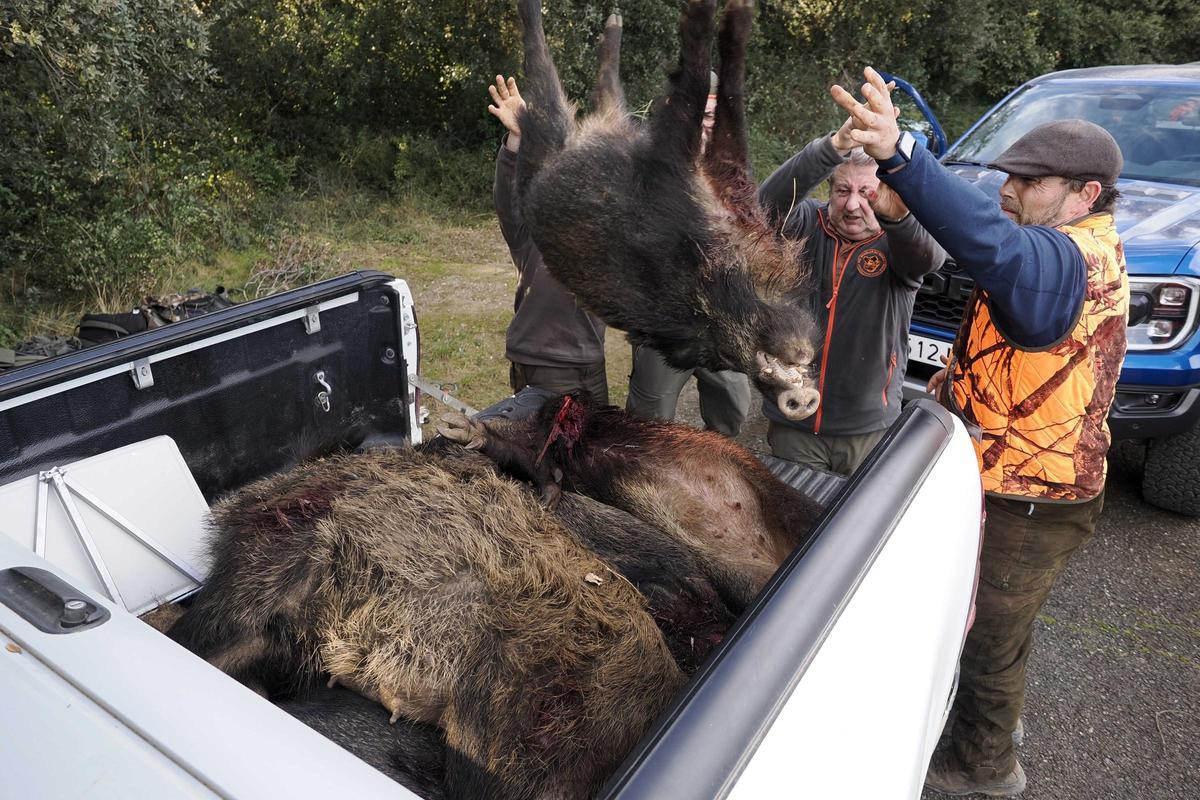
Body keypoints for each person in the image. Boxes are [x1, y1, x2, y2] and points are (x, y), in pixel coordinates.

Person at [832, 67, 1129, 796]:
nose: (1008, 189)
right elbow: (1030, 335)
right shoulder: (1068, 245)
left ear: (1085, 194)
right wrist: (961, 382)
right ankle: (989, 727)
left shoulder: (1072, 258)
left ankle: (985, 768)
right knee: (995, 624)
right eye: (1008, 174)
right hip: (1012, 470)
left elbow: (994, 249)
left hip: (1034, 496)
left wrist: (904, 153)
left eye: (1030, 182)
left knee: (991, 639)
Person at [755, 112, 947, 475]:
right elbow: (762, 207)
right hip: (794, 416)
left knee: (859, 527)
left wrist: (899, 219)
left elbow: (929, 257)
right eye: (843, 190)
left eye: (867, 193)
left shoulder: (898, 240)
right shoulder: (807, 224)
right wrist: (830, 149)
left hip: (867, 429)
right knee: (796, 524)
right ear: (830, 190)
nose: (854, 204)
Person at [625, 73, 751, 436]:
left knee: (734, 407)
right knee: (649, 418)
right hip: (664, 319)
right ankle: (642, 481)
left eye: (709, 115)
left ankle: (718, 475)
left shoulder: (732, 171)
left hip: (723, 319)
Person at [488, 75, 609, 403]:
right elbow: (507, 198)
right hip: (543, 364)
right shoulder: (531, 229)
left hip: (590, 362)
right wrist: (518, 138)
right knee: (546, 451)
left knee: (591, 448)